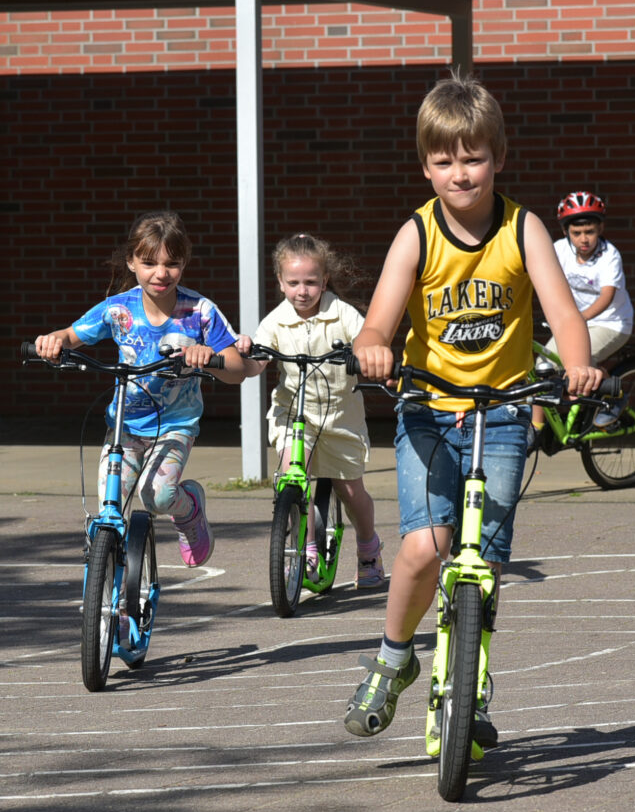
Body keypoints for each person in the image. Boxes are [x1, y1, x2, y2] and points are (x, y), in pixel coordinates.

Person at [344, 71, 602, 745]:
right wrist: (373, 348)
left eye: (474, 157)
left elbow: (564, 316)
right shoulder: (417, 235)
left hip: (507, 413)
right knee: (425, 546)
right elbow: (376, 326)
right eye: (444, 160)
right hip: (428, 411)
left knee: (482, 562)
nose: (461, 173)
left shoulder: (524, 231)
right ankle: (393, 661)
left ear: (499, 158)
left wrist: (576, 364)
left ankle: (471, 687)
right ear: (425, 167)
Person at [34, 210, 262, 574]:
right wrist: (52, 341)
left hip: (174, 425)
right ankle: (113, 601)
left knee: (157, 495)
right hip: (125, 425)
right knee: (112, 504)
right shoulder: (119, 310)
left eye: (172, 263)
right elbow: (72, 335)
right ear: (131, 262)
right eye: (149, 262)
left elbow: (237, 370)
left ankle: (190, 512)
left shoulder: (200, 311)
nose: (161, 273)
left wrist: (208, 358)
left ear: (184, 263)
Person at [236, 232, 385, 589]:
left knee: (351, 493)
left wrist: (367, 356)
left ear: (325, 281)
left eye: (311, 282)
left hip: (338, 416)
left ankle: (368, 548)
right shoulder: (276, 320)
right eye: (293, 283)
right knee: (289, 477)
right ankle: (306, 546)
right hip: (294, 413)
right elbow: (258, 362)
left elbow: (367, 339)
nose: (302, 291)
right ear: (281, 282)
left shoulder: (341, 313)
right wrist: (246, 351)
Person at [529, 190, 633, 443]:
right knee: (541, 369)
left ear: (601, 228)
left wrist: (577, 319)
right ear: (566, 232)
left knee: (582, 363)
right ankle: (535, 429)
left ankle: (615, 396)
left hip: (610, 323)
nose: (584, 239)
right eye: (577, 233)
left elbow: (606, 297)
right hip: (575, 322)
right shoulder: (558, 250)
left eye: (590, 231)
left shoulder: (610, 256)